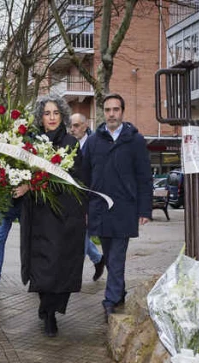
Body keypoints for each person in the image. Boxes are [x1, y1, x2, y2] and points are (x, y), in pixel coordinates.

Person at [19, 95, 86, 337]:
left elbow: (77, 179)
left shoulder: (71, 143)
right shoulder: (30, 143)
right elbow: (21, 172)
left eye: (56, 113)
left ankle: (52, 307)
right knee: (42, 266)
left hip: (64, 214)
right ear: (41, 117)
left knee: (61, 265)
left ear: (63, 116)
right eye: (47, 113)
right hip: (38, 215)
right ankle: (47, 313)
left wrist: (34, 184)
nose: (51, 117)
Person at [82, 93, 152, 322]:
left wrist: (144, 209)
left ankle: (110, 301)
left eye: (116, 109)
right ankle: (118, 292)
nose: (112, 114)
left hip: (124, 209)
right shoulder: (92, 142)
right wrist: (84, 208)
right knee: (110, 254)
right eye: (108, 110)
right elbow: (84, 177)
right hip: (100, 209)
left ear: (122, 111)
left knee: (116, 257)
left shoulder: (135, 140)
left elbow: (144, 177)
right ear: (104, 112)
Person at [70, 113, 105, 281]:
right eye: (71, 125)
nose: (73, 129)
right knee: (79, 235)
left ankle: (74, 275)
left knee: (80, 237)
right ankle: (98, 259)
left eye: (76, 125)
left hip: (88, 199)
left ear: (85, 125)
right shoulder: (69, 145)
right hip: (72, 199)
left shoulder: (94, 145)